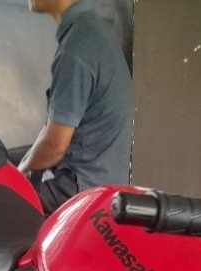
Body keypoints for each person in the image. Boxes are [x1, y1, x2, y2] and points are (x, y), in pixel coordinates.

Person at [18, 0, 133, 214]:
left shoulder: (76, 48)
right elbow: (52, 127)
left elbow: (55, 147)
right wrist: (23, 165)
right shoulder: (91, 29)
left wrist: (20, 173)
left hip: (84, 189)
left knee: (4, 202)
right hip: (101, 177)